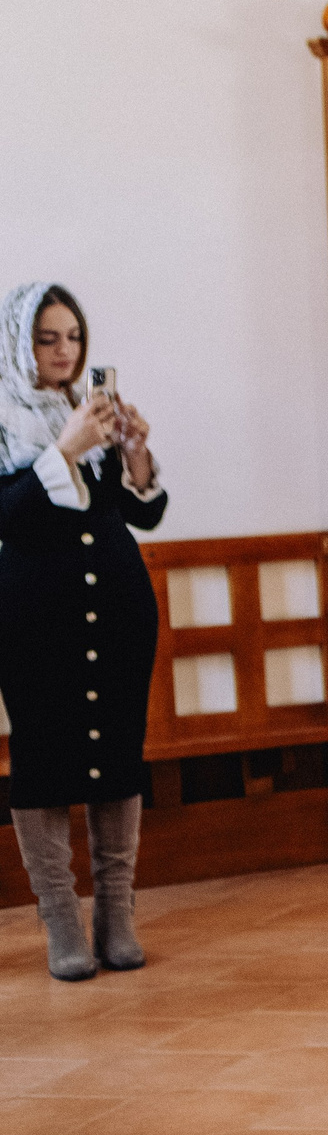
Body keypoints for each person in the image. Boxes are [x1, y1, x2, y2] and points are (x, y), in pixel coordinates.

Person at [0, 283, 167, 980]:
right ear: (19, 344)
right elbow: (10, 516)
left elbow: (141, 514)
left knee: (118, 755)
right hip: (35, 620)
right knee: (43, 762)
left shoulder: (88, 412)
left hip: (119, 610)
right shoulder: (6, 418)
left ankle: (116, 916)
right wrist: (63, 452)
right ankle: (62, 922)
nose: (64, 350)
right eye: (47, 338)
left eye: (73, 336)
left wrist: (134, 455)